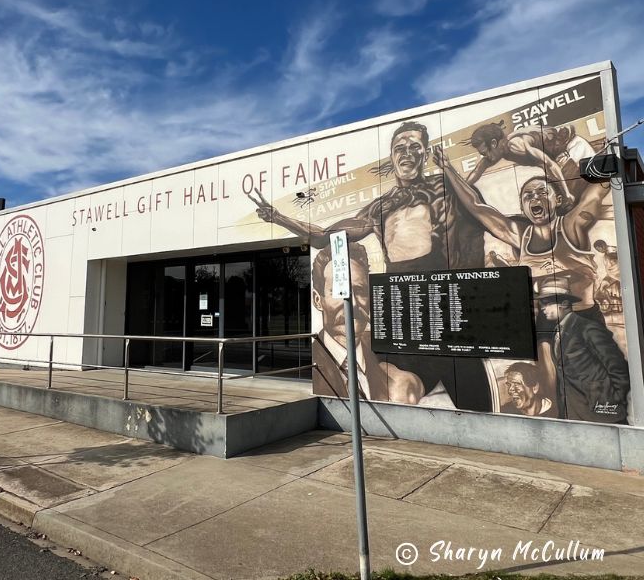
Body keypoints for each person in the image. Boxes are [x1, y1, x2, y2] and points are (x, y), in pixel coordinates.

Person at [248, 120, 485, 272]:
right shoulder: (379, 209)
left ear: (425, 154)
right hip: (402, 295)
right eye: (400, 149)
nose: (407, 154)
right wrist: (278, 218)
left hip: (455, 287)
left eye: (415, 147)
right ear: (392, 158)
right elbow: (322, 238)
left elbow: (479, 210)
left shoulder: (448, 187)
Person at [434, 145, 607, 321]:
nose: (535, 198)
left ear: (558, 200)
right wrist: (447, 168)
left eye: (542, 192)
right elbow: (476, 206)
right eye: (528, 196)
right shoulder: (520, 235)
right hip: (544, 322)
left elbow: (593, 196)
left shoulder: (570, 227)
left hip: (583, 318)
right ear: (523, 209)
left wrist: (606, 165)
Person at [311, 242, 425, 404]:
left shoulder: (384, 365)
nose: (354, 304)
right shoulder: (311, 364)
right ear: (318, 300)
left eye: (360, 291)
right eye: (339, 292)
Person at [537, 277, 630, 424]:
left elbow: (618, 368)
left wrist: (612, 401)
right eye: (542, 303)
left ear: (565, 303)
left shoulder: (587, 328)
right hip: (574, 415)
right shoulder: (557, 332)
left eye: (547, 302)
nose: (542, 307)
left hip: (604, 417)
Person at [464, 122, 596, 207]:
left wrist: (566, 193)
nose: (486, 157)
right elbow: (477, 171)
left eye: (485, 152)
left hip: (573, 149)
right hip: (559, 159)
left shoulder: (516, 145)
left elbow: (550, 165)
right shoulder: (498, 152)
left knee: (577, 196)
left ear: (493, 143)